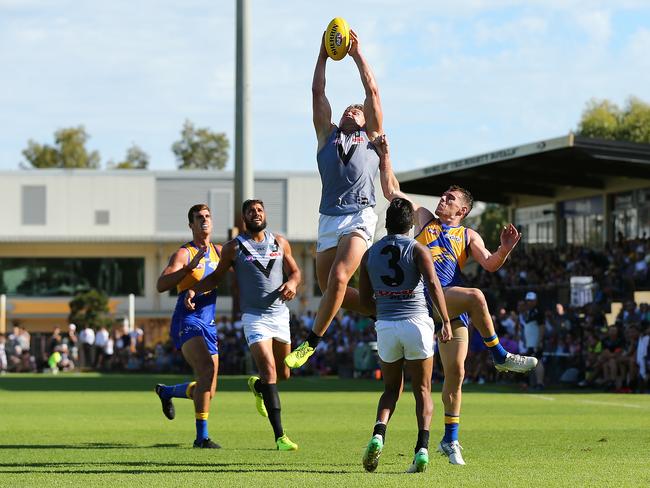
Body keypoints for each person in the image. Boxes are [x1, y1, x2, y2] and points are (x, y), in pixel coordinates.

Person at [376, 134, 537, 465]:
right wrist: (385, 155)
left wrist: (505, 249)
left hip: (451, 304)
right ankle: (500, 355)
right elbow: (393, 191)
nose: (442, 200)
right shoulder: (423, 219)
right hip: (424, 298)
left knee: (457, 373)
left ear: (462, 209)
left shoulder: (468, 234)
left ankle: (450, 440)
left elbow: (490, 263)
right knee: (476, 295)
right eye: (442, 196)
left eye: (449, 198)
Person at [284, 28, 383, 369]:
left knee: (340, 279)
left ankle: (310, 344)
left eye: (357, 111)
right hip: (328, 218)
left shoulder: (370, 138)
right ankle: (381, 310)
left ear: (366, 120)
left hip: (360, 215)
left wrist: (356, 54)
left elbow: (371, 90)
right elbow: (317, 91)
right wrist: (323, 54)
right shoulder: (326, 137)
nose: (351, 111)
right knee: (332, 293)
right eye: (347, 110)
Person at [186, 199, 301, 451]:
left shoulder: (280, 242)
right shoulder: (234, 248)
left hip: (280, 316)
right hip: (254, 317)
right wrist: (194, 289)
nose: (256, 214)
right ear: (243, 218)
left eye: (260, 210)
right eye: (251, 211)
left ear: (265, 214)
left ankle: (258, 386)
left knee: (284, 374)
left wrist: (292, 284)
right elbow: (216, 278)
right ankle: (280, 436)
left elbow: (295, 272)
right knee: (270, 370)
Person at [359, 198, 452, 473]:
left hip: (387, 324)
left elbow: (365, 301)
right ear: (411, 224)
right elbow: (434, 285)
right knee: (422, 390)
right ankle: (421, 449)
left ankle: (378, 434)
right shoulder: (418, 249)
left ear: (387, 223)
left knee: (390, 389)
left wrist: (382, 311)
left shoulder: (370, 254)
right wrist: (445, 320)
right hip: (417, 323)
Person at [154, 203, 222, 449]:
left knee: (208, 390)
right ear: (191, 225)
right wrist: (187, 270)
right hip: (187, 319)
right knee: (205, 370)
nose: (204, 220)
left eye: (207, 216)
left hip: (209, 323)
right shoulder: (184, 253)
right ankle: (201, 438)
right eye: (198, 217)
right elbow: (161, 285)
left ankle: (168, 391)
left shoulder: (220, 252)